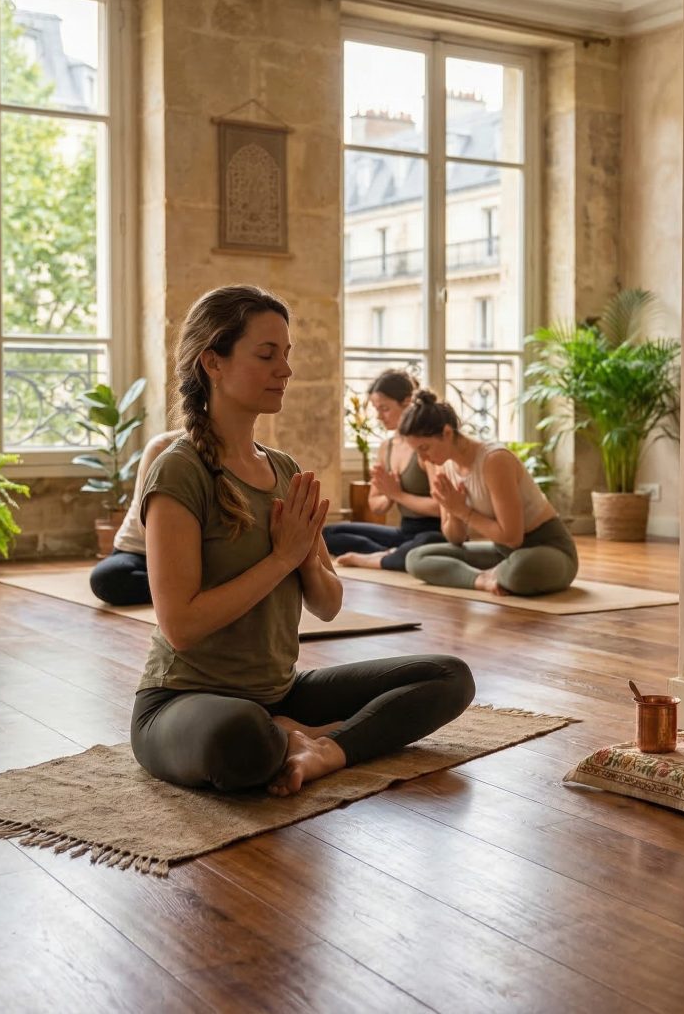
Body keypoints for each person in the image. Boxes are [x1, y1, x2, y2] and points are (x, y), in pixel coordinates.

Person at [131, 285, 475, 798]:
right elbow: (180, 627)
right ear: (213, 362)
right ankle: (292, 734)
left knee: (449, 677)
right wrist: (282, 558)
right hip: (183, 700)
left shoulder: (285, 469)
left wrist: (307, 562)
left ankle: (323, 749)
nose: (286, 370)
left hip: (280, 691)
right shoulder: (179, 470)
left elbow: (328, 605)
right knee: (241, 739)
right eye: (267, 355)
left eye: (286, 355)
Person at [401, 390, 579, 597]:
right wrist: (454, 511)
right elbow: (456, 539)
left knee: (519, 570)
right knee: (416, 558)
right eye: (417, 451)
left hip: (548, 549)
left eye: (425, 448)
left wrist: (463, 511)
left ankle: (497, 574)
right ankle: (482, 579)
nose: (423, 458)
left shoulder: (494, 460)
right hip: (504, 553)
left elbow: (512, 538)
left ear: (447, 433)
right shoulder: (444, 467)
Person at [324, 369, 446, 571]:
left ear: (406, 403)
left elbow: (441, 507)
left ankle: (384, 557)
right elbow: (376, 505)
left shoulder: (425, 447)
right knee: (328, 534)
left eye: (385, 408)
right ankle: (392, 554)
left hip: (435, 532)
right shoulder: (386, 448)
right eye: (376, 409)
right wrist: (389, 495)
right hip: (405, 532)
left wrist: (397, 495)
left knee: (427, 542)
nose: (379, 416)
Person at [88, 429, 182, 606]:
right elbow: (146, 528)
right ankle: (180, 591)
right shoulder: (162, 447)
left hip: (203, 557)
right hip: (140, 553)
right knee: (106, 579)